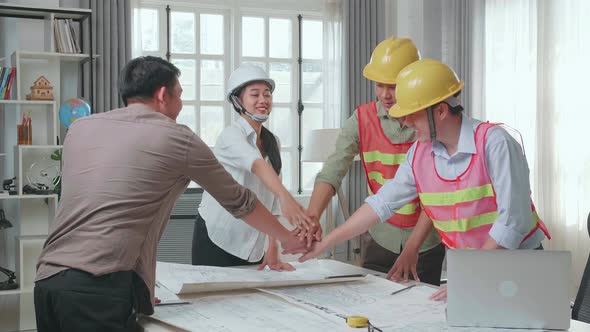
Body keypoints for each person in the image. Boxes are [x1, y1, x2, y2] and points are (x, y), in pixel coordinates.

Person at [33, 56, 308, 332]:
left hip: (48, 280)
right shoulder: (178, 138)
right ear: (163, 94)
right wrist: (290, 239)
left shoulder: (80, 128)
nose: (181, 104)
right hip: (99, 286)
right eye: (180, 94)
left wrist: (138, 288)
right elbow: (240, 201)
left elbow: (111, 209)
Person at [300, 59, 551, 301]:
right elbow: (381, 205)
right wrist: (326, 243)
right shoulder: (420, 154)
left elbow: (512, 222)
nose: (407, 123)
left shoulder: (495, 143)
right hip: (472, 270)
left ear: (440, 110)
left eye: (413, 115)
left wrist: (471, 276)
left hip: (517, 266)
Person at [305, 37, 445, 285]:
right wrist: (313, 216)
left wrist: (412, 246)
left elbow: (436, 195)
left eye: (392, 86)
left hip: (424, 243)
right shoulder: (361, 119)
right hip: (379, 237)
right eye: (379, 85)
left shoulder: (431, 124)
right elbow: (333, 170)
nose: (385, 95)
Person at [193, 64, 312, 271]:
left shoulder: (272, 141)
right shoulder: (230, 136)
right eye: (254, 94)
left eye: (267, 94)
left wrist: (272, 247)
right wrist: (287, 197)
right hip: (218, 236)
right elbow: (256, 164)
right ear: (238, 101)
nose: (263, 100)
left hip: (252, 243)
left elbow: (271, 199)